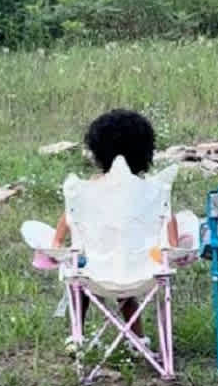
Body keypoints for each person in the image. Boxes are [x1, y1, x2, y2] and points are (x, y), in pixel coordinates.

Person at [53, 109, 195, 340]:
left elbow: (69, 216)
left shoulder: (86, 191)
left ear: (98, 152)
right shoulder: (153, 192)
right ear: (145, 152)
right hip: (140, 270)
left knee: (83, 275)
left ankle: (77, 335)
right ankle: (136, 339)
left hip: (96, 270)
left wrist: (56, 244)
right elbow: (171, 237)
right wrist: (182, 244)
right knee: (128, 284)